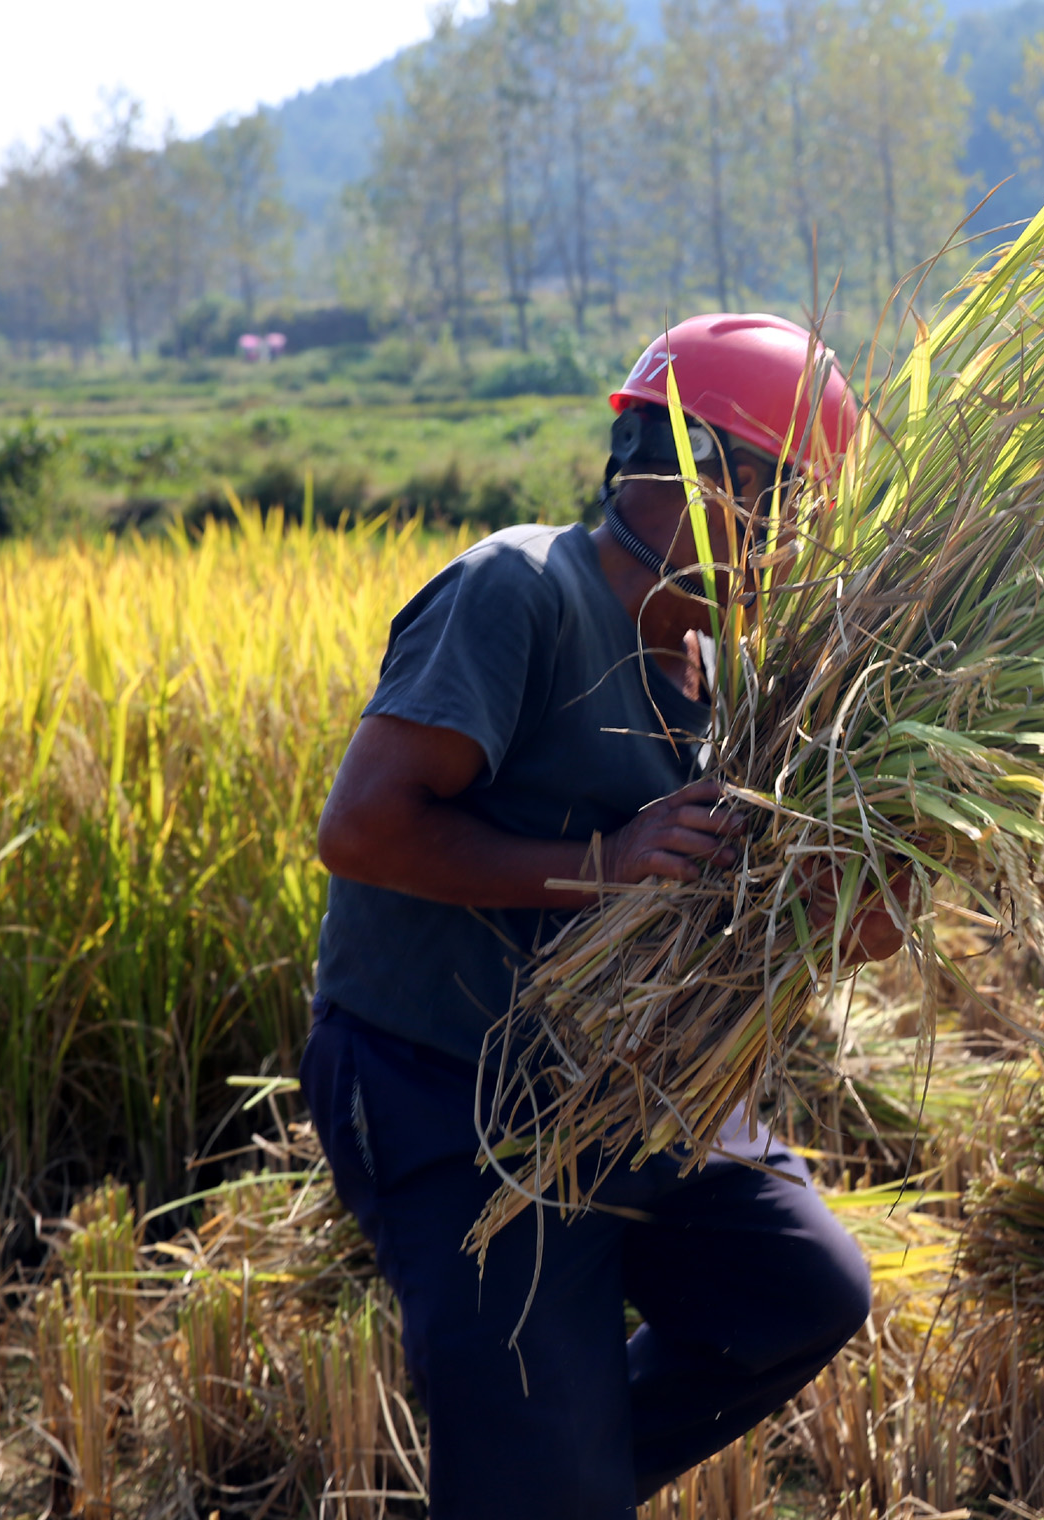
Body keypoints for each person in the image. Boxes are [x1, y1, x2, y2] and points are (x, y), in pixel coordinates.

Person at [303, 314, 896, 1519]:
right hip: (450, 1088)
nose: (793, 553)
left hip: (622, 1088)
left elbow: (837, 929)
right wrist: (608, 859)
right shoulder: (519, 592)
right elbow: (361, 828)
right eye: (785, 511)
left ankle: (542, 1484)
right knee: (539, 1469)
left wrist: (873, 875)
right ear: (693, 475)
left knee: (801, 1288)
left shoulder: (730, 687)